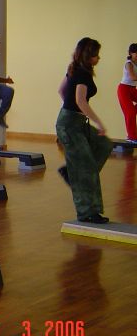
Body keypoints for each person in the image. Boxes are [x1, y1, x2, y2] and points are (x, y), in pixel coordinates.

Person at [56, 37, 112, 224]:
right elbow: (80, 100)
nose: (98, 58)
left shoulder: (75, 69)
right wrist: (99, 123)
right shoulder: (81, 73)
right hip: (70, 124)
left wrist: (72, 108)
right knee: (86, 167)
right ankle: (88, 213)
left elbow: (61, 91)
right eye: (96, 55)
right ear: (89, 56)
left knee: (104, 145)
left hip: (76, 122)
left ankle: (73, 174)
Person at [117, 43, 137, 143]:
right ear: (130, 53)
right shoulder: (128, 63)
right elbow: (133, 77)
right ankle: (132, 137)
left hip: (133, 89)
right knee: (130, 113)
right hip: (123, 89)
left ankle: (132, 111)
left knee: (131, 112)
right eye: (135, 52)